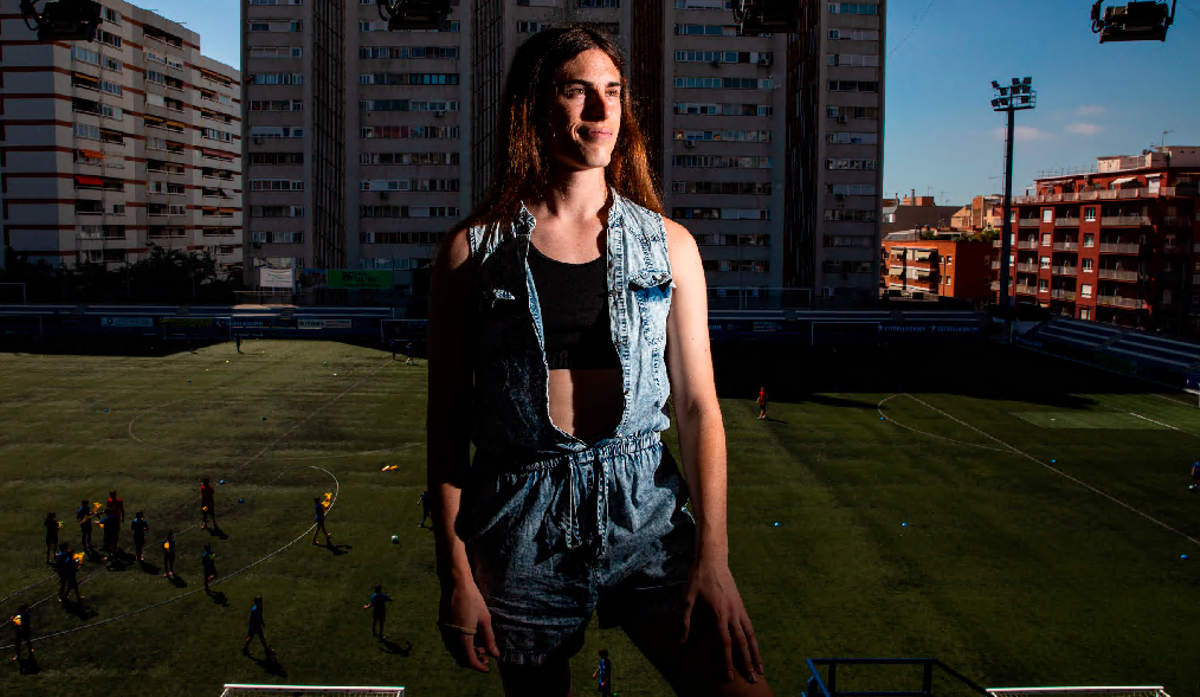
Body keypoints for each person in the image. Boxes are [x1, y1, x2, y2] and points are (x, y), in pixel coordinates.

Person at [426, 25, 769, 696]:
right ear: (533, 106)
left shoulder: (672, 246)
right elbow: (446, 427)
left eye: (612, 92)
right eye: (577, 91)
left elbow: (699, 408)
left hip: (648, 510)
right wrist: (456, 575)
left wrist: (715, 558)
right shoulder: (472, 251)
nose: (602, 111)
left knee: (740, 685)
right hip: (523, 519)